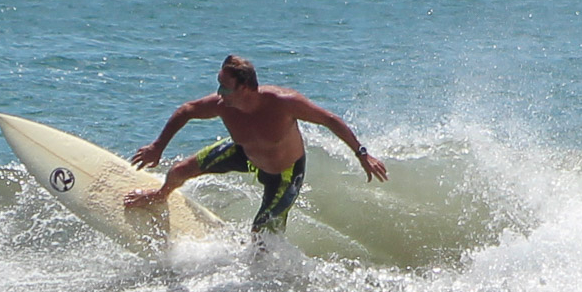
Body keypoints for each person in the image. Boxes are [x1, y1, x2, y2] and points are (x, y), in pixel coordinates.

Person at [125, 55, 388, 234]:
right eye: (219, 86)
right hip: (245, 152)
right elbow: (187, 110)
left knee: (262, 231)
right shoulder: (222, 106)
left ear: (246, 87)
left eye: (225, 87)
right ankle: (160, 196)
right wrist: (158, 147)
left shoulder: (284, 103)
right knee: (179, 171)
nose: (219, 93)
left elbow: (330, 120)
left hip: (284, 172)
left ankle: (269, 278)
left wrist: (362, 154)